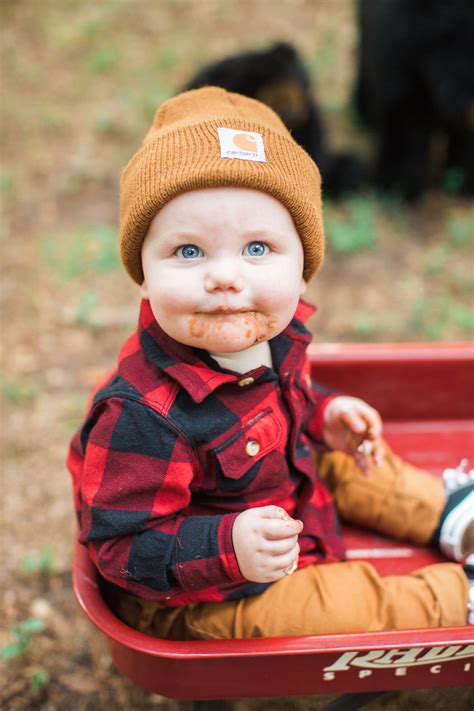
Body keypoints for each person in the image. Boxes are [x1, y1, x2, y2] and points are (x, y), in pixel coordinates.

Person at [67, 87, 474, 640]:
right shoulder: (142, 415)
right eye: (189, 251)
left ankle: (452, 515)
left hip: (281, 488)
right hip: (204, 596)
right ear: (142, 270)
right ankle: (457, 596)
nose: (225, 276)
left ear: (304, 266)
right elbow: (119, 547)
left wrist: (325, 412)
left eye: (257, 248)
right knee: (341, 604)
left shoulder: (274, 332)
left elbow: (284, 399)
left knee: (348, 463)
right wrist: (227, 547)